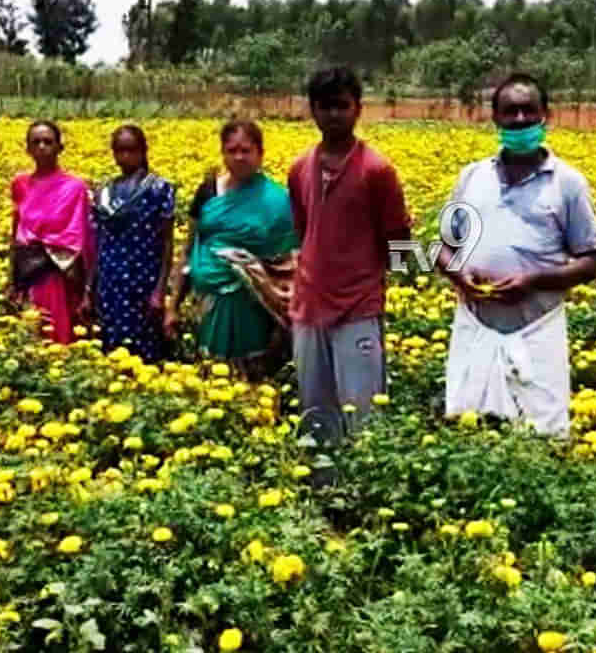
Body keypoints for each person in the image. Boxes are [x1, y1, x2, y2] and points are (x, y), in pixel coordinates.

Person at [438, 73, 596, 438]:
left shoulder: (568, 183)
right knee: (470, 433)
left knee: (541, 437)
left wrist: (535, 281)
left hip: (536, 329)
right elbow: (443, 249)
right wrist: (459, 277)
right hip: (475, 325)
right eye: (510, 112)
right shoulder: (472, 177)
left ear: (546, 115)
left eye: (528, 112)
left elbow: (593, 261)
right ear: (495, 118)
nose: (519, 120)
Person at [288, 66, 412, 456]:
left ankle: (365, 499)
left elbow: (399, 237)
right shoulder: (299, 169)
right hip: (309, 308)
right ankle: (324, 497)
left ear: (358, 109)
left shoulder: (377, 170)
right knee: (316, 413)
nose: (333, 115)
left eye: (342, 106)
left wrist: (402, 285)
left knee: (363, 415)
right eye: (325, 107)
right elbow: (304, 229)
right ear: (312, 110)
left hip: (358, 307)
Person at [168, 120, 298, 380]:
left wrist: (397, 265)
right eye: (232, 150)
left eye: (246, 150)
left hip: (255, 306)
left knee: (253, 380)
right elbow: (189, 248)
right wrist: (173, 306)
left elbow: (289, 262)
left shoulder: (277, 200)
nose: (239, 157)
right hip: (207, 301)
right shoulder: (207, 192)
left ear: (260, 154)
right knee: (209, 378)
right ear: (223, 153)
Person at [90, 125, 175, 363]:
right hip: (110, 281)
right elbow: (98, 242)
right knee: (110, 344)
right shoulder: (104, 191)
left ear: (143, 151)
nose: (125, 156)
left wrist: (160, 290)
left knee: (145, 350)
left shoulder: (159, 189)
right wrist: (91, 288)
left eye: (131, 150)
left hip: (144, 280)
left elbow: (167, 243)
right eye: (119, 150)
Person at [9, 120, 96, 345]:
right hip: (28, 273)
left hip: (60, 274)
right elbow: (16, 231)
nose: (41, 147)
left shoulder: (75, 187)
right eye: (35, 142)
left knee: (57, 339)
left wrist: (87, 290)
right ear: (27, 148)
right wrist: (12, 279)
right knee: (29, 340)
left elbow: (81, 238)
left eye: (48, 141)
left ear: (60, 147)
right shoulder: (20, 184)